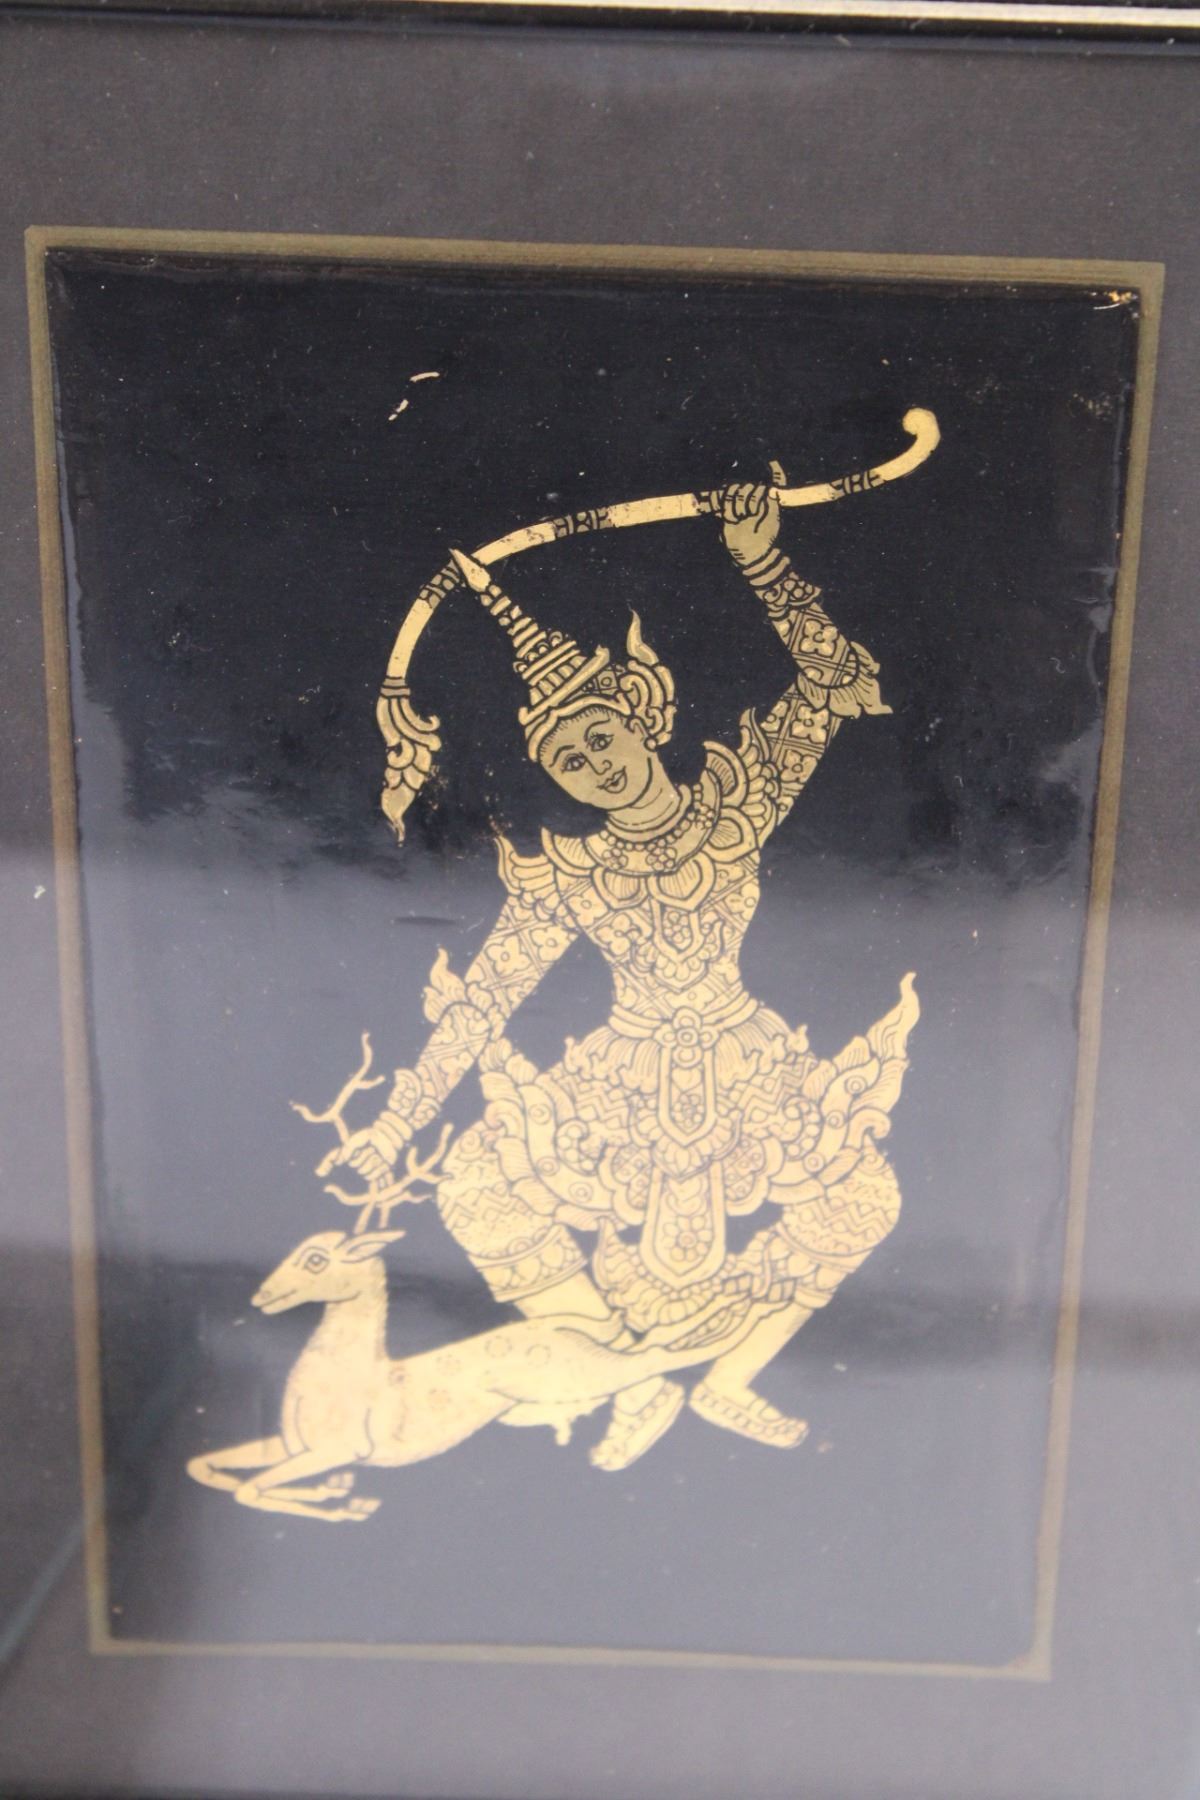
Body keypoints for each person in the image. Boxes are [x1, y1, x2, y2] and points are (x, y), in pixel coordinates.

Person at [322, 484, 918, 1471]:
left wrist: (761, 560)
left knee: (861, 1196)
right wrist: (394, 1125)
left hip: (747, 1062)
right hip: (621, 1077)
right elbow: (482, 1004)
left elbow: (834, 681)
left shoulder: (736, 808)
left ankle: (732, 1376)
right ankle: (624, 1375)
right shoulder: (571, 877)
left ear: (642, 717)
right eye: (566, 758)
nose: (593, 763)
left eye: (600, 735)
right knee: (478, 1186)